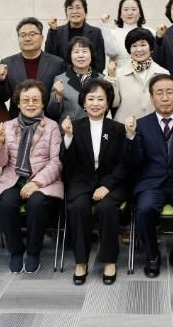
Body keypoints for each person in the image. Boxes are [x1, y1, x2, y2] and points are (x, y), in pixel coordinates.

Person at [124, 74, 173, 279]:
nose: (165, 97)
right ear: (152, 98)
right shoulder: (141, 125)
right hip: (152, 183)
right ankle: (152, 255)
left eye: (170, 92)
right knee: (144, 209)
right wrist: (131, 137)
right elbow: (133, 162)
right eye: (159, 93)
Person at [0, 80, 63, 274]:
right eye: (26, 100)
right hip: (13, 178)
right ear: (18, 104)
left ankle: (33, 251)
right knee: (6, 204)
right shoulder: (7, 126)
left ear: (43, 103)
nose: (31, 104)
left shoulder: (52, 127)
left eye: (35, 100)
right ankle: (15, 251)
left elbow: (56, 162)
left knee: (37, 204)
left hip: (43, 181)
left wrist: (36, 183)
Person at [61, 79, 129, 286]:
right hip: (81, 181)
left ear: (108, 103)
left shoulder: (118, 129)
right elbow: (68, 164)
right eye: (91, 99)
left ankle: (109, 260)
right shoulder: (74, 127)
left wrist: (107, 186)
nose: (95, 103)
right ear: (84, 102)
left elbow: (124, 163)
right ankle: (81, 262)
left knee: (106, 208)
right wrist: (68, 137)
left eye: (101, 99)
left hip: (112, 182)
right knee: (78, 207)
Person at [0, 17, 65, 119]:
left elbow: (61, 98)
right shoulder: (8, 63)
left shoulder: (56, 63)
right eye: (23, 35)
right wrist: (1, 81)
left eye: (32, 34)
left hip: (48, 122)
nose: (27, 39)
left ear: (42, 38)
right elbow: (1, 98)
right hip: (18, 122)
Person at [109, 28, 169, 122]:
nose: (139, 49)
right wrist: (112, 78)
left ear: (150, 47)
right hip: (124, 126)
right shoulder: (119, 73)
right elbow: (113, 103)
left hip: (154, 127)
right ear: (129, 49)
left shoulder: (163, 73)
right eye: (134, 46)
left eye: (143, 45)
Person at [48, 36, 108, 123]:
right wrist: (58, 95)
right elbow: (53, 113)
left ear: (91, 54)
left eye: (84, 51)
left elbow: (109, 107)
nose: (80, 55)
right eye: (76, 52)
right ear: (70, 56)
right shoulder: (61, 79)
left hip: (95, 126)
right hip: (69, 127)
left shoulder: (101, 79)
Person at [45, 0, 106, 73]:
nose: (74, 11)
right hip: (63, 77)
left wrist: (89, 78)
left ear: (85, 11)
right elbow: (49, 57)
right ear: (66, 12)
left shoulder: (96, 32)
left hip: (89, 78)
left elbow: (100, 63)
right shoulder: (57, 31)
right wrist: (52, 31)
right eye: (70, 8)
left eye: (78, 7)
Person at [101, 0, 155, 71]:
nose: (130, 13)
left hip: (145, 73)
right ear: (120, 14)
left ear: (140, 13)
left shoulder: (150, 32)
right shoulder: (113, 33)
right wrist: (106, 25)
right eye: (125, 9)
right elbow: (111, 52)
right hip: (119, 75)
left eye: (133, 9)